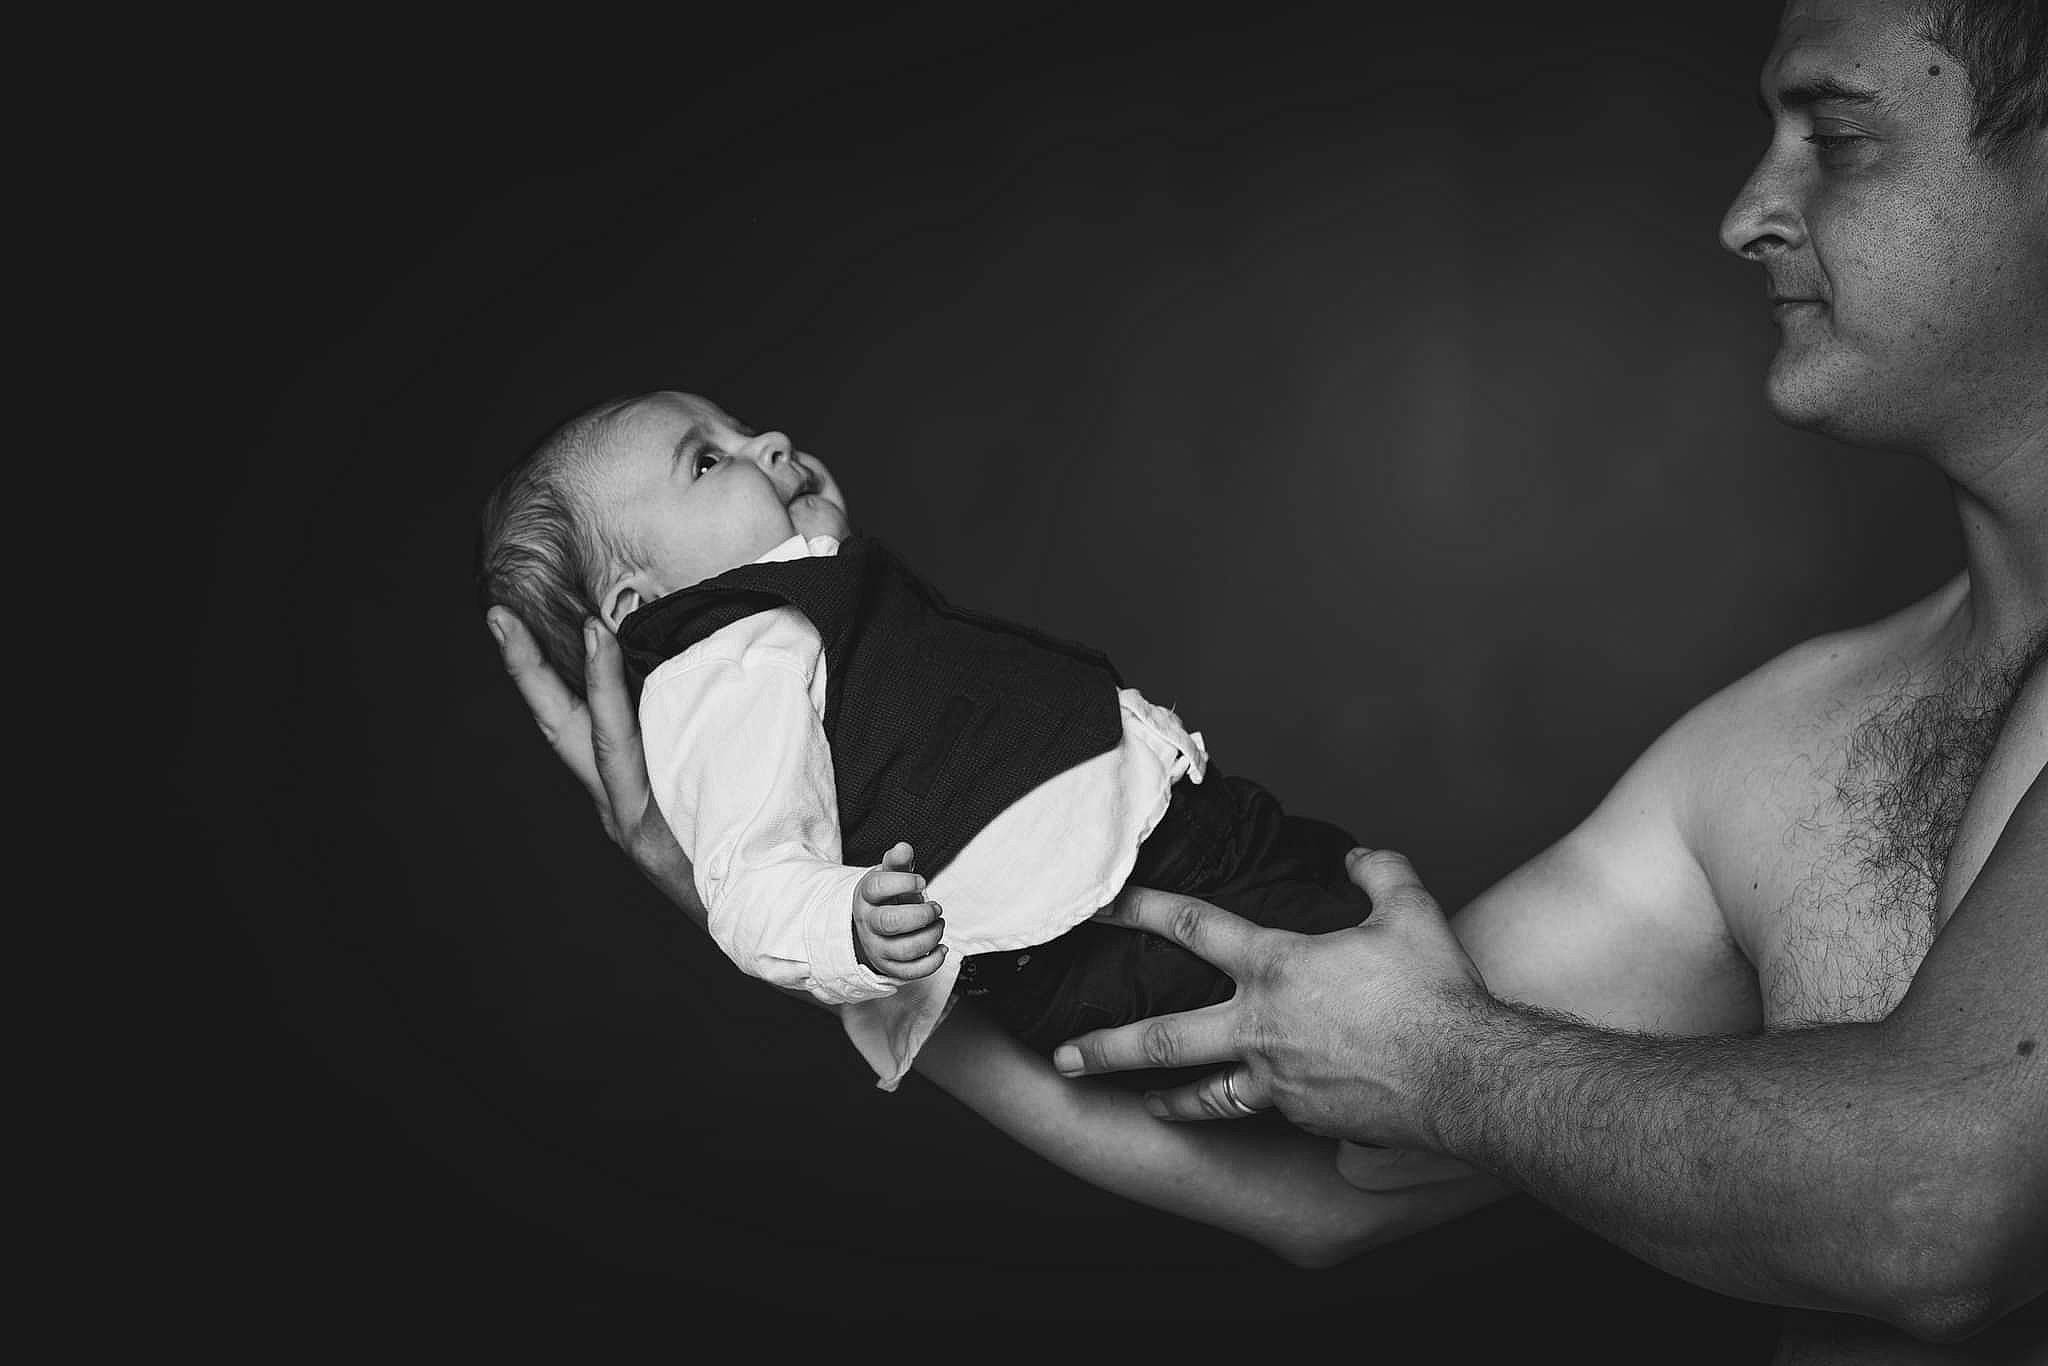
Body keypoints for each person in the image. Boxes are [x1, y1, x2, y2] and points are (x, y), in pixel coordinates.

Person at [487, 0, 2044, 1357]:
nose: (1744, 212)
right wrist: (824, 926)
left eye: (1834, 135)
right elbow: (1327, 1187)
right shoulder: (1771, 753)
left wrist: (1447, 1064)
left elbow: (1930, 1211)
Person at [476, 388, 1375, 1094]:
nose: (772, 444)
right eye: (708, 461)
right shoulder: (722, 669)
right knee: (1342, 1017)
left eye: (742, 429)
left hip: (1162, 835)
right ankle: (1392, 1146)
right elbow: (746, 880)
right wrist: (847, 927)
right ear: (641, 606)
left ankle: (1404, 1131)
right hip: (1098, 925)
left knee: (1366, 935)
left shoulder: (799, 612)